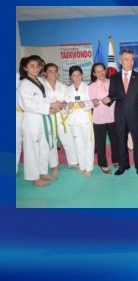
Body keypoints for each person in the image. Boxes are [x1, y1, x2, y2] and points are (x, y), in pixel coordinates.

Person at [17, 56, 64, 186]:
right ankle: (34, 177)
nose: (35, 68)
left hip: (44, 118)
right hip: (32, 121)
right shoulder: (24, 84)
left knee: (44, 147)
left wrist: (53, 106)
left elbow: (45, 99)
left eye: (37, 66)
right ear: (25, 68)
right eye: (32, 66)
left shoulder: (40, 81)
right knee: (32, 150)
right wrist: (49, 106)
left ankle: (43, 172)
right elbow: (27, 105)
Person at [104, 49, 138, 175]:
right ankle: (123, 166)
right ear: (120, 61)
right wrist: (107, 99)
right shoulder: (114, 77)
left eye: (132, 59)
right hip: (120, 115)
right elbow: (111, 95)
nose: (130, 62)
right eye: (127, 59)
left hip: (135, 114)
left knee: (137, 141)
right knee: (120, 141)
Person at [88, 62, 119, 174]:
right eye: (98, 71)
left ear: (105, 71)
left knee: (115, 141)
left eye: (102, 70)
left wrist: (112, 98)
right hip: (99, 119)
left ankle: (116, 160)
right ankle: (103, 164)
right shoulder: (92, 86)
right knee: (100, 143)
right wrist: (95, 102)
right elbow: (91, 103)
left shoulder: (112, 82)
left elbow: (117, 95)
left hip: (113, 117)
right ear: (94, 74)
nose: (101, 73)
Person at [64, 65, 94, 177]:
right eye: (74, 75)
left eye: (79, 75)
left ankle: (89, 168)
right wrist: (68, 106)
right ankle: (82, 166)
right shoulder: (68, 89)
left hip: (85, 118)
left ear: (82, 75)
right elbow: (64, 105)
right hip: (73, 120)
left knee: (88, 144)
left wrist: (85, 104)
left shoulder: (88, 87)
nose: (77, 77)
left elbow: (93, 102)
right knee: (78, 144)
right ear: (70, 77)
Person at [41, 63, 64, 178]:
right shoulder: (41, 86)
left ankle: (72, 161)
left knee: (67, 139)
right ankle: (54, 167)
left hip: (62, 116)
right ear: (45, 73)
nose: (53, 73)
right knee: (51, 142)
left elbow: (66, 100)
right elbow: (40, 102)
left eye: (55, 71)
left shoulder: (62, 85)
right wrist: (50, 108)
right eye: (50, 71)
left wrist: (62, 105)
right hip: (48, 116)